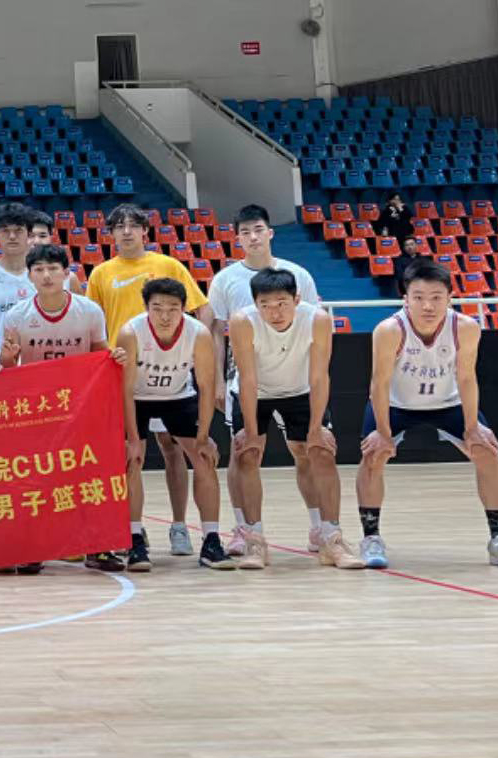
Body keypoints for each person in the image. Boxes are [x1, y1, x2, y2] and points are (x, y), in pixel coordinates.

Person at [86, 204, 212, 560]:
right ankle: (131, 531)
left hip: (169, 371)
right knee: (130, 455)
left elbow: (200, 308)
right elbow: (94, 324)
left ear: (145, 231)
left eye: (133, 225)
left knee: (174, 449)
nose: (126, 231)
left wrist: (201, 352)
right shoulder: (101, 273)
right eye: (119, 226)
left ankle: (179, 525)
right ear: (110, 234)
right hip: (125, 375)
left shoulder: (168, 265)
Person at [355, 260, 498, 568]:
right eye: (418, 297)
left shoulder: (466, 327)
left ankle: (496, 537)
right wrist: (382, 433)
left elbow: (466, 378)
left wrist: (473, 428)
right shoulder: (389, 330)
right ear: (405, 298)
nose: (428, 305)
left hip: (449, 403)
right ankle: (371, 537)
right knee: (373, 456)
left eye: (436, 297)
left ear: (450, 297)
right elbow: (378, 383)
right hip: (396, 404)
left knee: (488, 452)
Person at [208, 205, 324, 558]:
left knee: (305, 452)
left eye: (258, 229)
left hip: (294, 376)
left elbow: (314, 324)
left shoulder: (297, 274)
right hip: (245, 378)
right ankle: (244, 529)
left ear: (270, 232)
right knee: (243, 452)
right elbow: (216, 331)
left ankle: (319, 528)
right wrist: (217, 380)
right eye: (245, 232)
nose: (253, 237)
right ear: (237, 238)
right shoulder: (225, 279)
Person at [228, 268, 363, 570]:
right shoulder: (242, 322)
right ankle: (254, 539)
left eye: (282, 304)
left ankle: (330, 537)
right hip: (257, 391)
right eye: (265, 305)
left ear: (297, 299)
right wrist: (251, 431)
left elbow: (319, 376)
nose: (274, 312)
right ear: (254, 304)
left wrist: (316, 429)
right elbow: (247, 379)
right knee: (248, 454)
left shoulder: (317, 319)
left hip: (301, 389)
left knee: (320, 453)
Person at [0, 243, 120, 572]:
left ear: (67, 273)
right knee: (35, 479)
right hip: (37, 409)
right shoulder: (17, 315)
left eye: (53, 269)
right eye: (39, 269)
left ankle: (97, 546)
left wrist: (114, 359)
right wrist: (7, 358)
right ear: (29, 275)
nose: (47, 275)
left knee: (89, 476)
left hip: (80, 405)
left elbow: (100, 357)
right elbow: (8, 368)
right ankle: (33, 547)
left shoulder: (89, 311)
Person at [117, 278, 234, 572]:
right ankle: (134, 539)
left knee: (204, 459)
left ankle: (211, 540)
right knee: (132, 460)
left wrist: (204, 435)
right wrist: (134, 440)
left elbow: (206, 386)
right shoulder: (130, 332)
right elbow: (124, 391)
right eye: (157, 308)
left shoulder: (198, 334)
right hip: (138, 399)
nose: (165, 316)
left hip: (179, 397)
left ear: (184, 309)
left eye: (173, 308)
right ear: (146, 308)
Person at [0, 204, 72, 334]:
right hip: (1, 347)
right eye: (5, 231)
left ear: (29, 234)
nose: (12, 236)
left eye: (18, 230)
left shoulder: (61, 276)